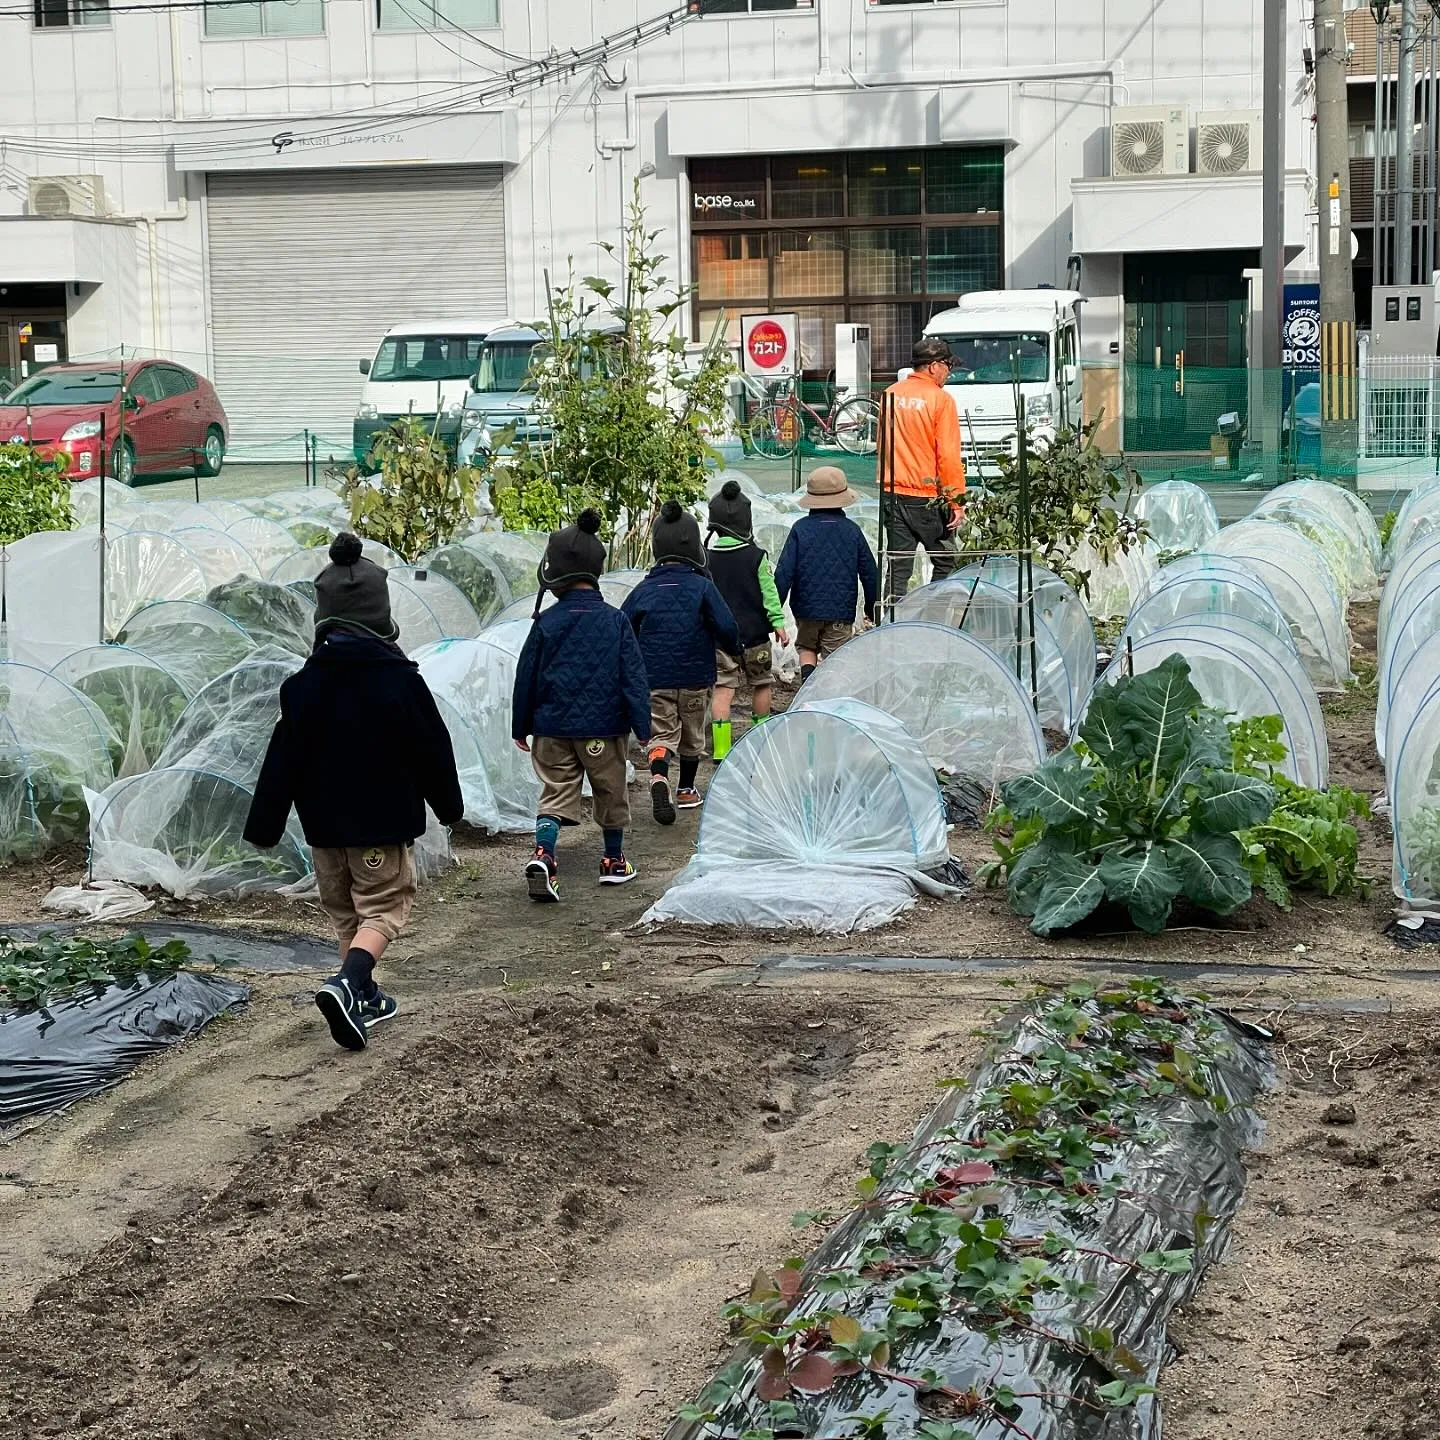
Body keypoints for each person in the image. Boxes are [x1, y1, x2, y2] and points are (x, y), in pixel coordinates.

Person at [245, 532, 464, 1053]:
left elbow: (282, 759)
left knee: (348, 914)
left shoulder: (301, 688)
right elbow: (433, 745)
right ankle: (347, 983)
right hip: (379, 826)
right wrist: (449, 806)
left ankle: (361, 997)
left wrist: (265, 825)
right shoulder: (399, 681)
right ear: (381, 618)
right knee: (385, 908)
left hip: (325, 832)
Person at [511, 508, 652, 901]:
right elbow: (633, 678)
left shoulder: (546, 622)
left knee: (555, 792)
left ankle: (545, 854)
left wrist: (519, 725)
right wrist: (643, 727)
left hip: (552, 728)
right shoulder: (614, 621)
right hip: (603, 729)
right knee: (610, 791)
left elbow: (527, 676)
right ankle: (613, 861)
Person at [622, 500, 742, 822]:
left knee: (661, 733)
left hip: (655, 678)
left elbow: (623, 626)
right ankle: (686, 789)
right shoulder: (703, 587)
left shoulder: (643, 590)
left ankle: (659, 773)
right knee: (692, 735)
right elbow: (727, 625)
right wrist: (736, 648)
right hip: (695, 676)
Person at [704, 480, 789, 761]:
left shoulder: (707, 559)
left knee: (723, 690)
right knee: (762, 683)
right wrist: (777, 623)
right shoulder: (757, 557)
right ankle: (761, 740)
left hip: (721, 639)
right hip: (755, 636)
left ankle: (720, 748)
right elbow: (769, 593)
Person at [880, 335, 967, 609]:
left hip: (891, 493)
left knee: (897, 568)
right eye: (947, 366)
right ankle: (933, 617)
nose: (949, 372)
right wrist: (956, 502)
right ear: (932, 367)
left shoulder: (890, 394)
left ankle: (890, 626)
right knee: (946, 561)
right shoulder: (940, 400)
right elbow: (948, 456)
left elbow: (883, 445)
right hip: (926, 496)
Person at [774, 466, 879, 682]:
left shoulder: (800, 529)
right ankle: (828, 697)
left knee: (806, 647)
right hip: (840, 609)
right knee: (834, 657)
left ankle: (808, 684)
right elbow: (869, 572)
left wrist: (774, 613)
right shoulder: (852, 530)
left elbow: (784, 572)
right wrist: (872, 606)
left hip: (806, 608)